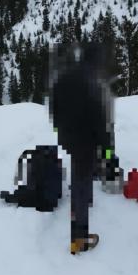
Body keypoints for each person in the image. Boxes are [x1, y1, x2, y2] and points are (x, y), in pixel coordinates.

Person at [43, 39, 117, 255]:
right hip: (85, 141)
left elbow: (53, 108)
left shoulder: (65, 76)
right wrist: (109, 153)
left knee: (81, 171)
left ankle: (84, 201)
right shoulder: (92, 83)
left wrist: (61, 131)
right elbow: (102, 125)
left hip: (68, 137)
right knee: (81, 181)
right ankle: (79, 236)